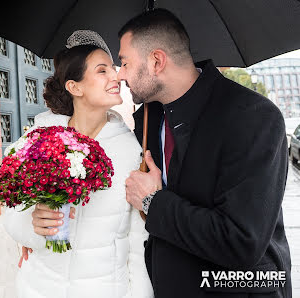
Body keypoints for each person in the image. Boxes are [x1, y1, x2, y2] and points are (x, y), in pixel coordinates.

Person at [118, 9, 292, 298]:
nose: (119, 73)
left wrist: (153, 201)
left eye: (124, 63)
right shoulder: (148, 119)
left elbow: (240, 242)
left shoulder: (253, 118)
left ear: (157, 61)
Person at [3, 30, 154, 298]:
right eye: (102, 71)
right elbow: (11, 207)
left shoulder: (131, 151)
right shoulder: (40, 138)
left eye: (114, 68)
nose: (116, 76)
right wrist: (32, 225)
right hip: (40, 289)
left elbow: (136, 243)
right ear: (75, 87)